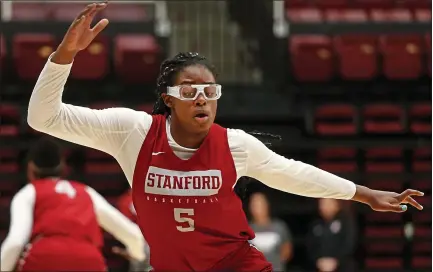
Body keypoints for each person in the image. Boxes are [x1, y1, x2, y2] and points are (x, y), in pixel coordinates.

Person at [27, 3, 424, 271]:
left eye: (210, 91)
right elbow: (44, 118)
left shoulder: (235, 144)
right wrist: (64, 55)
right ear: (167, 98)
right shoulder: (132, 132)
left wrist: (363, 193)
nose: (202, 99)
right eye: (189, 91)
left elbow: (293, 173)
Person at [0, 137, 146, 271]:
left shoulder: (28, 192)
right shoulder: (86, 191)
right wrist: (138, 254)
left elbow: (16, 242)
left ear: (30, 169)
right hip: (90, 261)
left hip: (44, 260)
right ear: (64, 167)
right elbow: (131, 233)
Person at [306, 199, 357, 272]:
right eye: (322, 204)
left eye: (328, 203)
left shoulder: (346, 222)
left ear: (336, 205)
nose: (324, 207)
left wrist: (336, 261)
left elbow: (349, 243)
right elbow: (310, 244)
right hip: (320, 266)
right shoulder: (316, 223)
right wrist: (318, 261)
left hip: (342, 266)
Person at [249, 192, 293, 271]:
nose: (258, 208)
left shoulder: (279, 226)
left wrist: (277, 262)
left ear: (267, 205)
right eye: (254, 205)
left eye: (260, 204)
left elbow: (287, 249)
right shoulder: (246, 229)